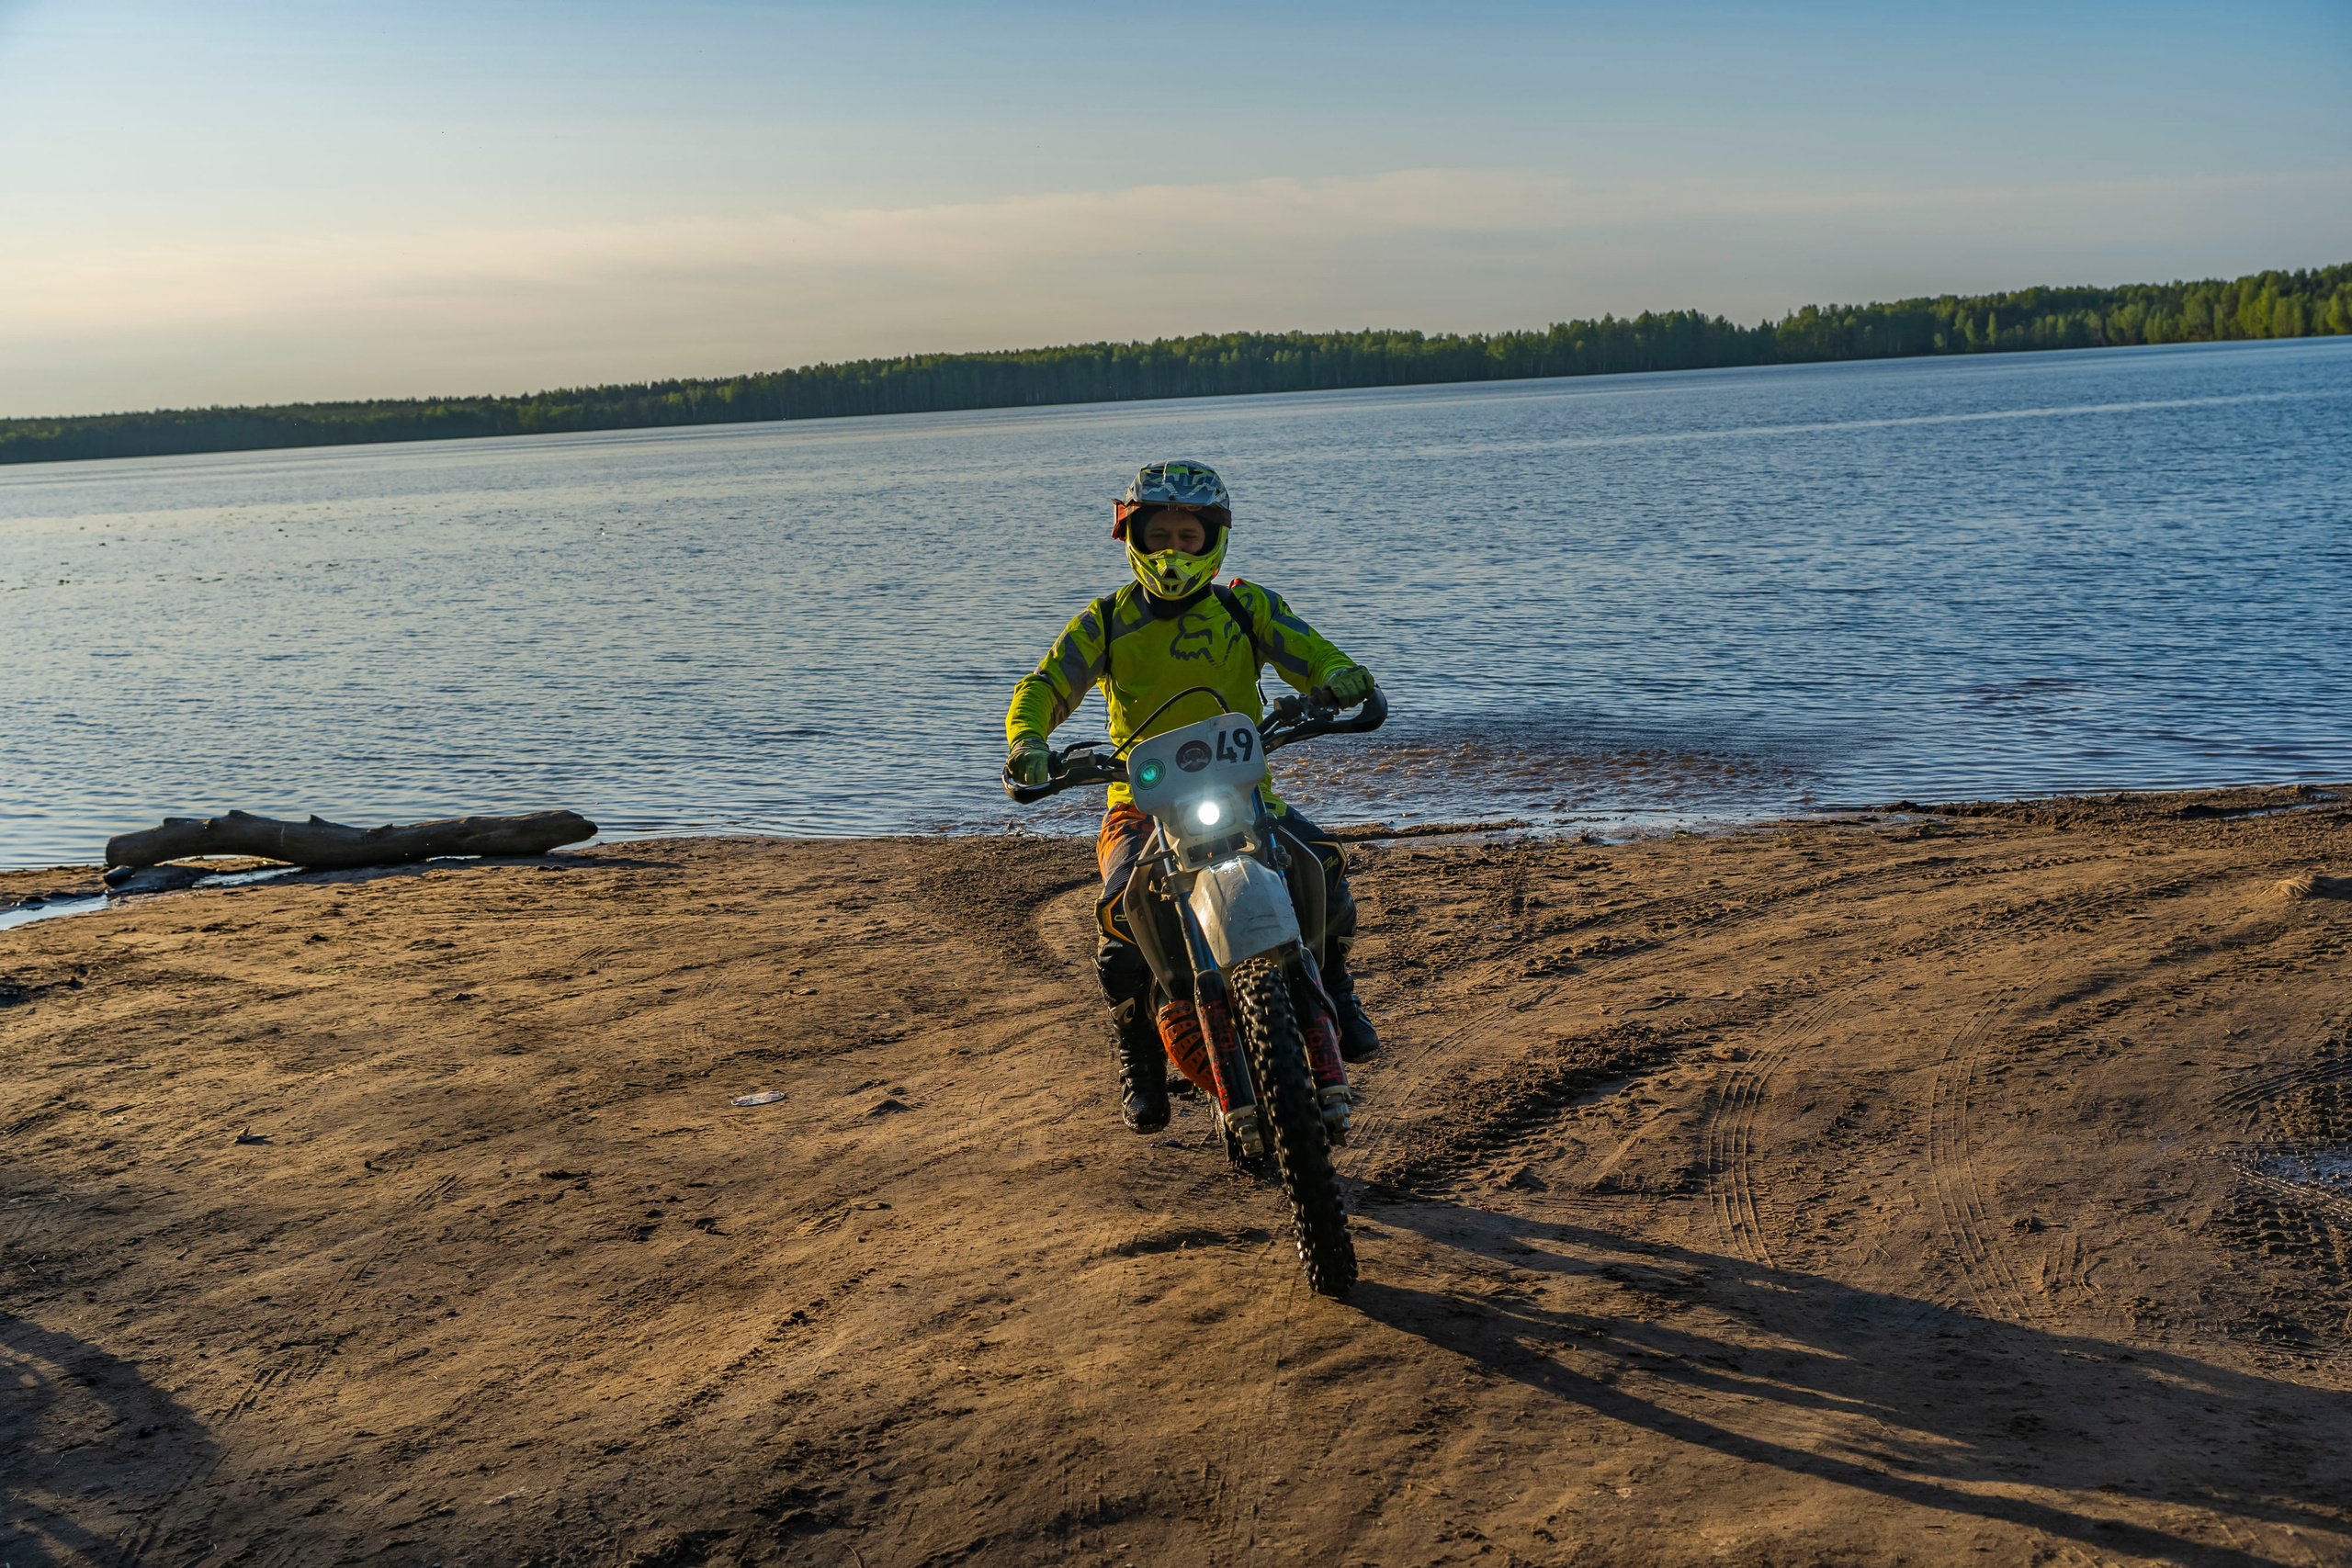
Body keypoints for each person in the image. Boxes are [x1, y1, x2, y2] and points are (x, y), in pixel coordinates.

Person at [1003, 459, 1381, 1134]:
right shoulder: (1104, 621)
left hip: (1242, 791)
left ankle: (1336, 984)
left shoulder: (1245, 605)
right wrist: (1028, 740)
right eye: (1159, 535)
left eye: (1188, 535)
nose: (1174, 550)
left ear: (1213, 541)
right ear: (1133, 539)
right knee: (1120, 927)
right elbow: (1046, 683)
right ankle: (1139, 1057)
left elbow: (1307, 649)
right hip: (1141, 805)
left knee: (1322, 863)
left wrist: (1339, 675)